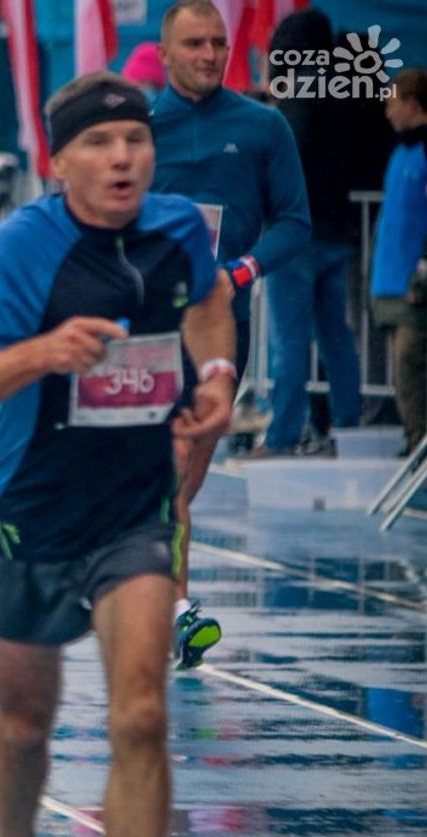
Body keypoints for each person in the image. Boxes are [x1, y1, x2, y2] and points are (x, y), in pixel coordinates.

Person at [0, 72, 235, 837]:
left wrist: (218, 377)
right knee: (26, 727)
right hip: (30, 517)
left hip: (135, 511)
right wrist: (43, 353)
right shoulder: (20, 252)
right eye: (99, 145)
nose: (122, 159)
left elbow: (207, 299)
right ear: (59, 162)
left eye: (135, 141)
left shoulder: (178, 228)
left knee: (141, 713)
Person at [151, 0, 309, 667]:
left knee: (183, 480)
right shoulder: (138, 128)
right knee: (167, 474)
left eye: (218, 42)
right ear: (166, 53)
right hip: (145, 326)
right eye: (195, 43)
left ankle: (156, 597)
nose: (211, 54)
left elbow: (295, 222)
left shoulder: (263, 125)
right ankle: (177, 614)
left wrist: (241, 271)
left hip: (220, 326)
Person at [252, 9, 362, 457]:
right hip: (339, 229)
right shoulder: (345, 90)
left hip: (295, 234)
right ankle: (350, 429)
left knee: (290, 340)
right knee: (336, 336)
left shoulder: (296, 95)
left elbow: (284, 163)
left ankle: (282, 436)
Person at [373, 69, 427, 457]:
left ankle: (419, 450)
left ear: (413, 104)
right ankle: (415, 445)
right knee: (404, 372)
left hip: (413, 285)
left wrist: (421, 273)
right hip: (392, 282)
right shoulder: (399, 153)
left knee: (411, 367)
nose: (388, 113)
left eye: (393, 104)